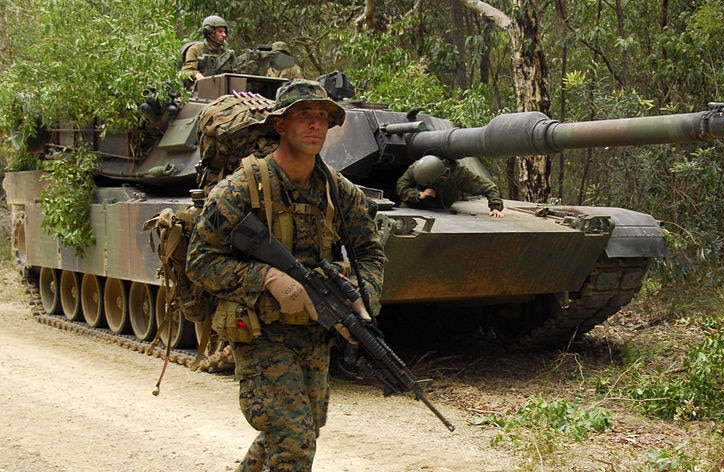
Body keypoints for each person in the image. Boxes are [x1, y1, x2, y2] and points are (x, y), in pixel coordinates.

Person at [185, 79, 385, 471]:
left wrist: (364, 300)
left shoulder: (338, 191)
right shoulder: (243, 188)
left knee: (300, 430)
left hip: (314, 334)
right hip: (262, 333)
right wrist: (269, 280)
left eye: (323, 118)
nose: (315, 126)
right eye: (304, 116)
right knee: (293, 443)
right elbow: (200, 260)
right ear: (280, 125)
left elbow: (369, 253)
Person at [396, 155, 505, 217]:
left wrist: (495, 207)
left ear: (442, 177)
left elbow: (489, 187)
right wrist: (419, 194)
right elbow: (401, 186)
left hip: (444, 209)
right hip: (416, 206)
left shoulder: (457, 174)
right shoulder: (417, 168)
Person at [181, 15, 237, 81]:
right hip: (200, 89)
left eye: (224, 32)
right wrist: (196, 75)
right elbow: (186, 71)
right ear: (209, 32)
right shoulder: (195, 50)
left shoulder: (228, 54)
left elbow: (236, 75)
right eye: (220, 31)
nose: (224, 35)